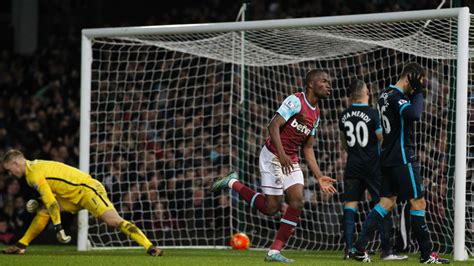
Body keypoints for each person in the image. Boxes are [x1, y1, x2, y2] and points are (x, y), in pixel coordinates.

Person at [210, 69, 337, 263]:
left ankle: (274, 251)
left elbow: (308, 148)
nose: (329, 85)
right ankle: (232, 183)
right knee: (271, 209)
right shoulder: (295, 101)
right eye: (324, 81)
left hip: (290, 159)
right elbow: (273, 125)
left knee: (297, 201)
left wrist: (319, 176)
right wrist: (282, 153)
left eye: (329, 82)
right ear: (311, 84)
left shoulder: (317, 114)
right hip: (271, 156)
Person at [353, 63, 449, 264]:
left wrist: (414, 93)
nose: (417, 87)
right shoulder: (397, 97)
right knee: (418, 202)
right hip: (403, 157)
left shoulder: (384, 95)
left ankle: (360, 249)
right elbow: (414, 115)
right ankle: (426, 255)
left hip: (387, 157)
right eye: (417, 82)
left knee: (386, 203)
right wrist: (419, 92)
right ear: (410, 77)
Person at [1, 149, 163, 256]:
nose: (11, 173)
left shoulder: (33, 174)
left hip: (87, 190)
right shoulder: (34, 168)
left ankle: (150, 247)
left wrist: (59, 228)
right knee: (42, 210)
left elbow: (52, 202)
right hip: (72, 195)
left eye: (9, 169)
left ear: (16, 163)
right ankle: (21, 245)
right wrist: (37, 202)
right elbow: (51, 196)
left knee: (112, 221)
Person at [338, 80, 407, 261]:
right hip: (372, 165)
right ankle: (386, 250)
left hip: (353, 165)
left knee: (350, 206)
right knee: (383, 204)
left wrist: (355, 154)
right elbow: (380, 137)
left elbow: (344, 142)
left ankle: (349, 249)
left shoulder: (344, 115)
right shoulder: (372, 113)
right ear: (366, 93)